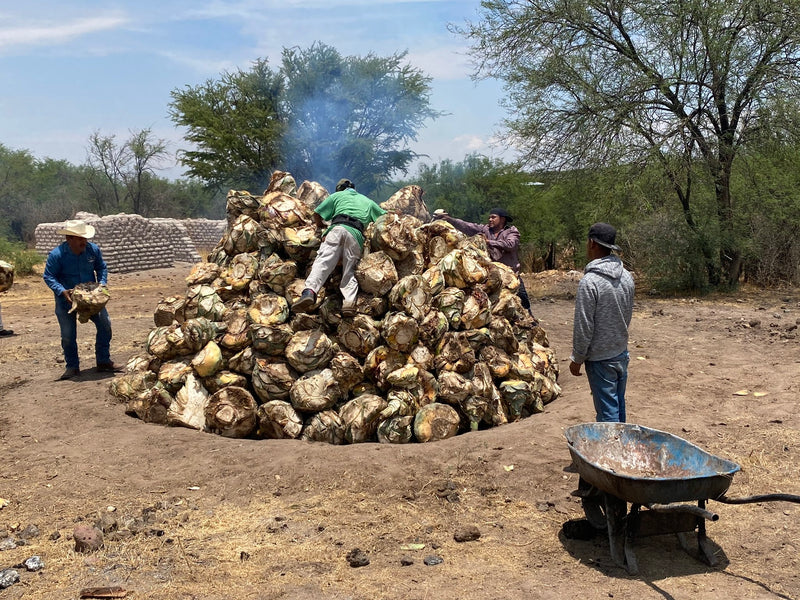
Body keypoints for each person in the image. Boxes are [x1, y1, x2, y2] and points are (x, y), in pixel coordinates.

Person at [292, 179, 387, 318]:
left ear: (340, 189)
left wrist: (320, 226)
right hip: (356, 235)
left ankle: (309, 292)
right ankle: (348, 303)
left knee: (323, 261)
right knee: (349, 270)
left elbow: (317, 213)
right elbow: (385, 218)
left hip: (337, 229)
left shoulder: (337, 196)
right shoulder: (368, 201)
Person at [569, 222, 634, 422]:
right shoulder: (627, 276)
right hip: (620, 353)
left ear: (592, 243)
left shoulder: (590, 282)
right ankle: (621, 448)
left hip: (600, 359)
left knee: (608, 416)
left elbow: (584, 325)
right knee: (618, 407)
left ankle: (611, 451)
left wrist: (577, 358)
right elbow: (627, 313)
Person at [43, 219, 116, 380]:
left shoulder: (93, 250)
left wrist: (102, 284)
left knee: (105, 325)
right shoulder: (57, 255)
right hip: (66, 301)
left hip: (91, 299)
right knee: (68, 335)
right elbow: (48, 276)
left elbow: (101, 267)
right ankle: (72, 367)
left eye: (85, 238)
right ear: (69, 239)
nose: (84, 241)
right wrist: (62, 291)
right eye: (80, 238)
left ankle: (103, 361)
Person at [434, 207, 533, 313]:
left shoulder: (511, 232)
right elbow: (467, 226)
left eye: (493, 217)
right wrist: (449, 219)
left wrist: (489, 242)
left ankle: (530, 323)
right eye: (489, 217)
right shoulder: (485, 229)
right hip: (493, 276)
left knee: (522, 299)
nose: (490, 220)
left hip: (511, 275)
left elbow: (510, 244)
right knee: (496, 303)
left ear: (503, 219)